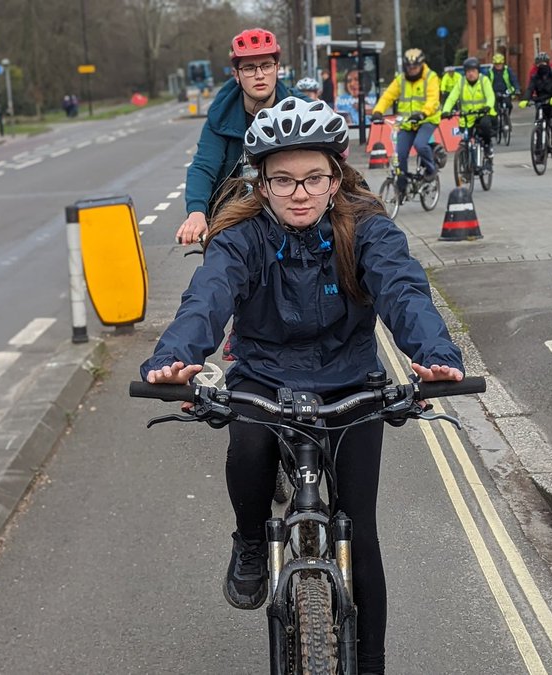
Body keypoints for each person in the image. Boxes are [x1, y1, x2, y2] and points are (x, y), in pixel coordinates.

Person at [141, 96, 464, 675]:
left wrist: (434, 356)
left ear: (335, 176)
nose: (299, 192)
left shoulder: (366, 229)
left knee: (360, 533)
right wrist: (176, 359)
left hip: (351, 382)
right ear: (260, 184)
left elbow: (403, 291)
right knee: (248, 444)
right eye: (282, 180)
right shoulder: (241, 236)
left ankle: (371, 665)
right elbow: (208, 296)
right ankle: (248, 541)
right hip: (263, 377)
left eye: (313, 177)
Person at [175, 28, 293, 246]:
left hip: (287, 216)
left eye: (266, 65)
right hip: (234, 218)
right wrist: (196, 212)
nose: (259, 75)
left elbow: (331, 161)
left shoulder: (299, 109)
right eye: (248, 68)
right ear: (236, 75)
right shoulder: (221, 118)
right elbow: (203, 166)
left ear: (277, 69)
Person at [370, 48, 444, 194]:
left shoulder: (430, 77)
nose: (412, 70)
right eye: (409, 67)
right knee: (400, 154)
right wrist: (378, 111)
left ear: (421, 64)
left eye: (415, 67)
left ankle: (431, 168)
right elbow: (388, 96)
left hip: (426, 120)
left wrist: (423, 113)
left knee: (420, 145)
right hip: (407, 123)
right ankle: (402, 184)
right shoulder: (401, 79)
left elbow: (433, 99)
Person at [442, 57, 496, 162]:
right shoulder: (461, 82)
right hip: (467, 117)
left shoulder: (484, 80)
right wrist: (446, 110)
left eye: (473, 71)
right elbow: (452, 98)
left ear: (478, 71)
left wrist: (488, 106)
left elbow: (490, 96)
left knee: (485, 127)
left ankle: (487, 146)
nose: (471, 74)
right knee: (465, 139)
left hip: (483, 114)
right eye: (468, 71)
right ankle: (466, 163)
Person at [519, 52, 552, 140]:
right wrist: (525, 99)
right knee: (538, 121)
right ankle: (538, 147)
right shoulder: (535, 77)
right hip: (541, 100)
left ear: (548, 63)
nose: (541, 66)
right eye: (539, 64)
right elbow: (530, 88)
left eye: (543, 63)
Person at [487, 53, 519, 122]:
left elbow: (513, 79)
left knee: (509, 105)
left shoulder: (508, 70)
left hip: (506, 91)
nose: (498, 66)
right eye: (496, 64)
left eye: (500, 64)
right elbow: (486, 83)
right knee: (494, 109)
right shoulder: (490, 72)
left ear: (503, 63)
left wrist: (517, 89)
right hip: (494, 93)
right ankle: (496, 123)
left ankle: (507, 117)